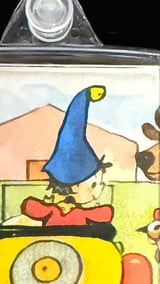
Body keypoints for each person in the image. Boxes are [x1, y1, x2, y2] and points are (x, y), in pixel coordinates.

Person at [21, 85, 114, 225]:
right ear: (75, 186)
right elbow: (30, 206)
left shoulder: (81, 213)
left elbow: (106, 213)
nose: (98, 192)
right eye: (94, 185)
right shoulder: (54, 210)